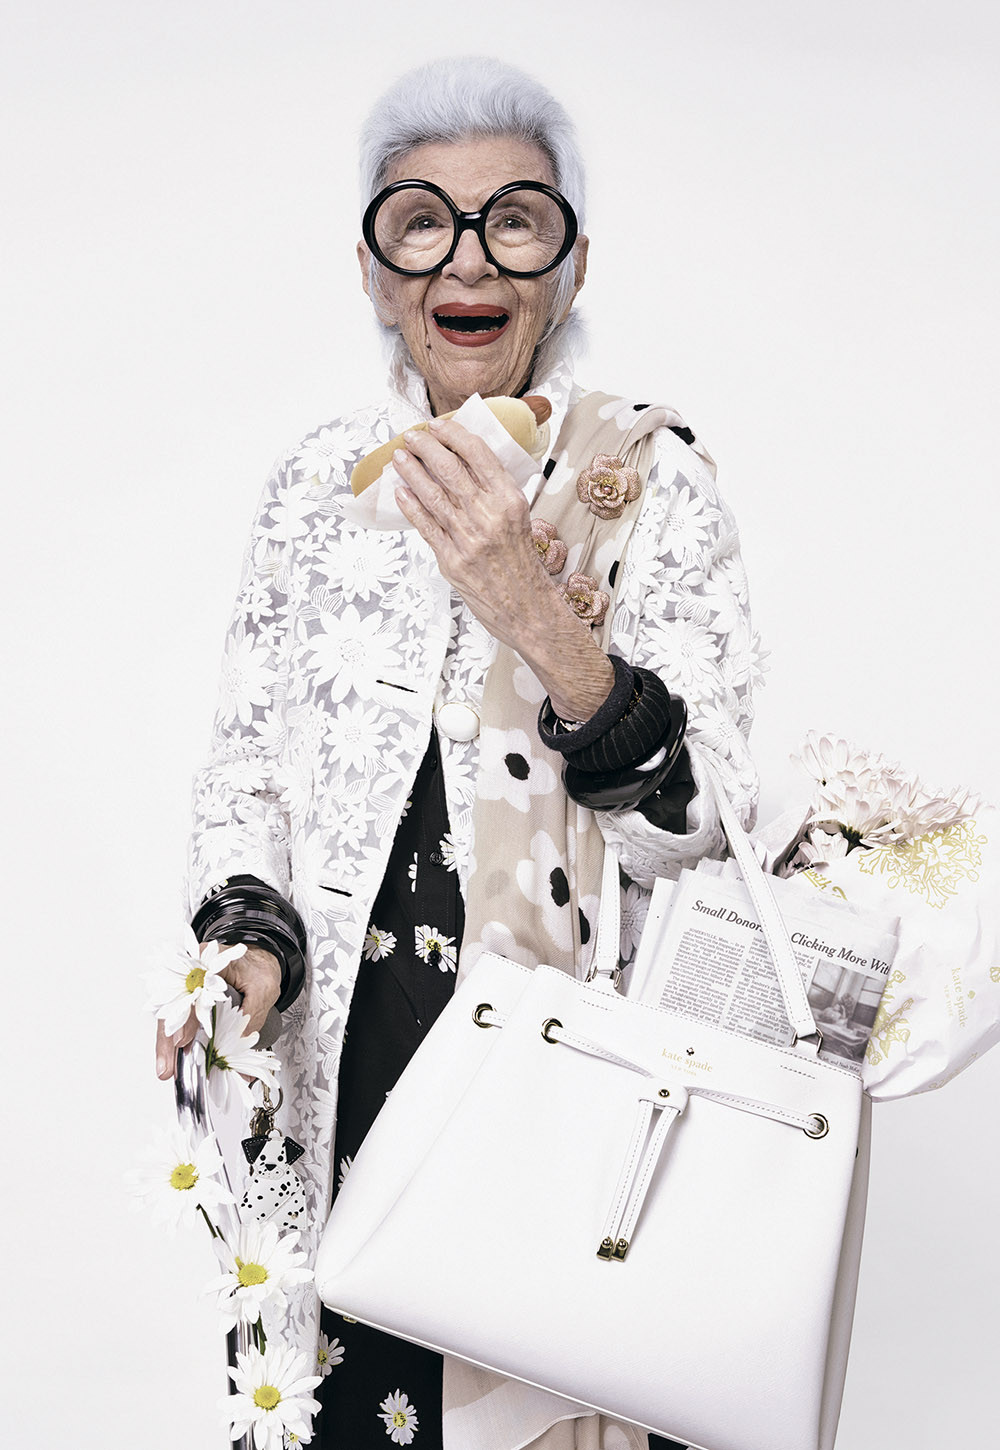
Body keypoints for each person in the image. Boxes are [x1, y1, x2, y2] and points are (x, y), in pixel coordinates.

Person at [157, 56, 760, 1450]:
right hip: (345, 1087)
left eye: (515, 221)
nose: (468, 257)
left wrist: (532, 610)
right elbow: (247, 774)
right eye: (423, 222)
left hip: (558, 1102)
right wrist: (247, 953)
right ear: (377, 273)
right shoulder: (315, 488)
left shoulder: (650, 482)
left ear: (573, 263)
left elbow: (708, 834)